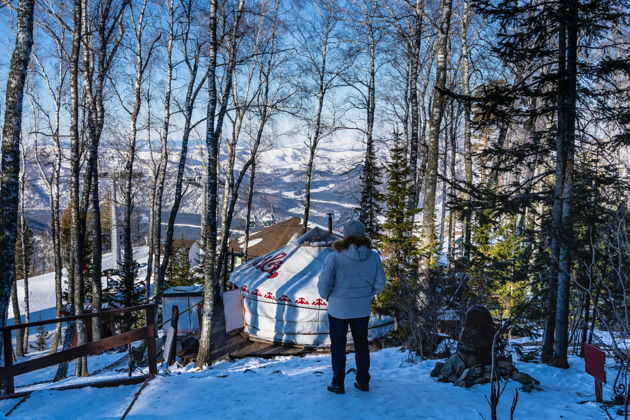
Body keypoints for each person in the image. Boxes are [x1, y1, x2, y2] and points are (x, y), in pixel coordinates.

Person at [317, 219, 386, 394]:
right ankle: (363, 381)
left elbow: (324, 285)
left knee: (338, 347)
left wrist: (328, 297)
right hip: (361, 309)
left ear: (345, 235)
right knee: (361, 345)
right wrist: (366, 295)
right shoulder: (374, 257)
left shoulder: (335, 257)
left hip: (338, 309)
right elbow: (380, 284)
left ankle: (337, 384)